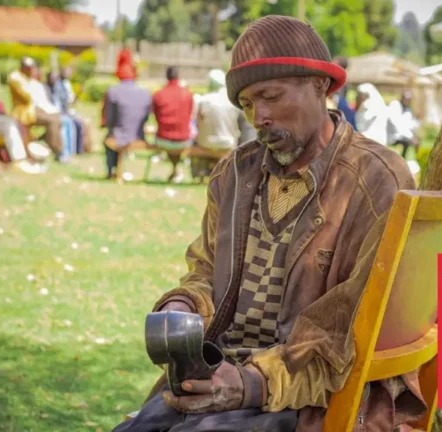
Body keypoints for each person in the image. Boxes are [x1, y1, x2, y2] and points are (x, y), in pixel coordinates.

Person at [113, 15, 425, 432]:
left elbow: (345, 329)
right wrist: (183, 307)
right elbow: (205, 273)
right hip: (222, 374)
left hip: (313, 395)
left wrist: (252, 382)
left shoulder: (374, 180)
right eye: (246, 105)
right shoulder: (234, 174)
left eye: (271, 96)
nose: (258, 116)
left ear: (320, 85)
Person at [102, 48, 152, 180]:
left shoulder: (113, 92)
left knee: (109, 137)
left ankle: (111, 170)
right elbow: (146, 117)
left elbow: (109, 119)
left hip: (118, 136)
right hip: (139, 135)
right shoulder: (145, 93)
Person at [191, 68, 248, 180]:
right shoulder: (233, 101)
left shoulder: (204, 100)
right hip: (228, 142)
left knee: (196, 142)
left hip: (206, 142)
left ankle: (200, 174)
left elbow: (197, 123)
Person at [7, 57, 63, 157]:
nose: (32, 71)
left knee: (57, 119)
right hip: (23, 112)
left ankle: (53, 146)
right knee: (53, 121)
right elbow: (27, 98)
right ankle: (56, 149)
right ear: (23, 67)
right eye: (30, 68)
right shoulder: (15, 78)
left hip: (33, 109)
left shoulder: (26, 77)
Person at [151, 66, 194, 182]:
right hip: (184, 140)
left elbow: (156, 116)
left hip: (163, 139)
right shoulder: (187, 94)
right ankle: (175, 170)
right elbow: (189, 115)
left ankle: (174, 171)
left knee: (168, 139)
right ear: (178, 76)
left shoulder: (158, 94)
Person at [48, 71, 84, 156]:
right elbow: (56, 105)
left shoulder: (65, 85)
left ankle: (75, 150)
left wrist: (78, 93)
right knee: (67, 124)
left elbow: (70, 101)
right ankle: (64, 152)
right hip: (57, 113)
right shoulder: (53, 88)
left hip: (65, 112)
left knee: (79, 123)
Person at [387, 90, 420, 159]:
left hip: (401, 136)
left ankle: (411, 160)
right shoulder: (394, 105)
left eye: (409, 99)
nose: (407, 101)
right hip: (391, 136)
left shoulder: (407, 110)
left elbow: (409, 126)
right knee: (408, 141)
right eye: (406, 99)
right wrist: (411, 137)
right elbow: (397, 126)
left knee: (417, 140)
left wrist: (417, 121)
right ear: (402, 98)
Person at [331, 56, 356, 130]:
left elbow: (337, 96)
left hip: (338, 104)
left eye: (335, 62)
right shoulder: (345, 79)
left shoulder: (339, 79)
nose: (332, 63)